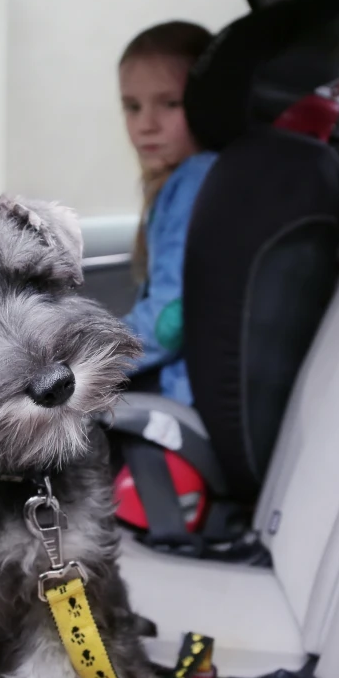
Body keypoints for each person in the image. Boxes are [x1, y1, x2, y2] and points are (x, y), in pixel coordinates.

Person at [118, 21, 216, 406]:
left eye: (169, 103)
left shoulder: (194, 181)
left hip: (181, 395)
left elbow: (169, 320)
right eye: (132, 107)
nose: (146, 125)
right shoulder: (179, 180)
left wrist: (92, 358)